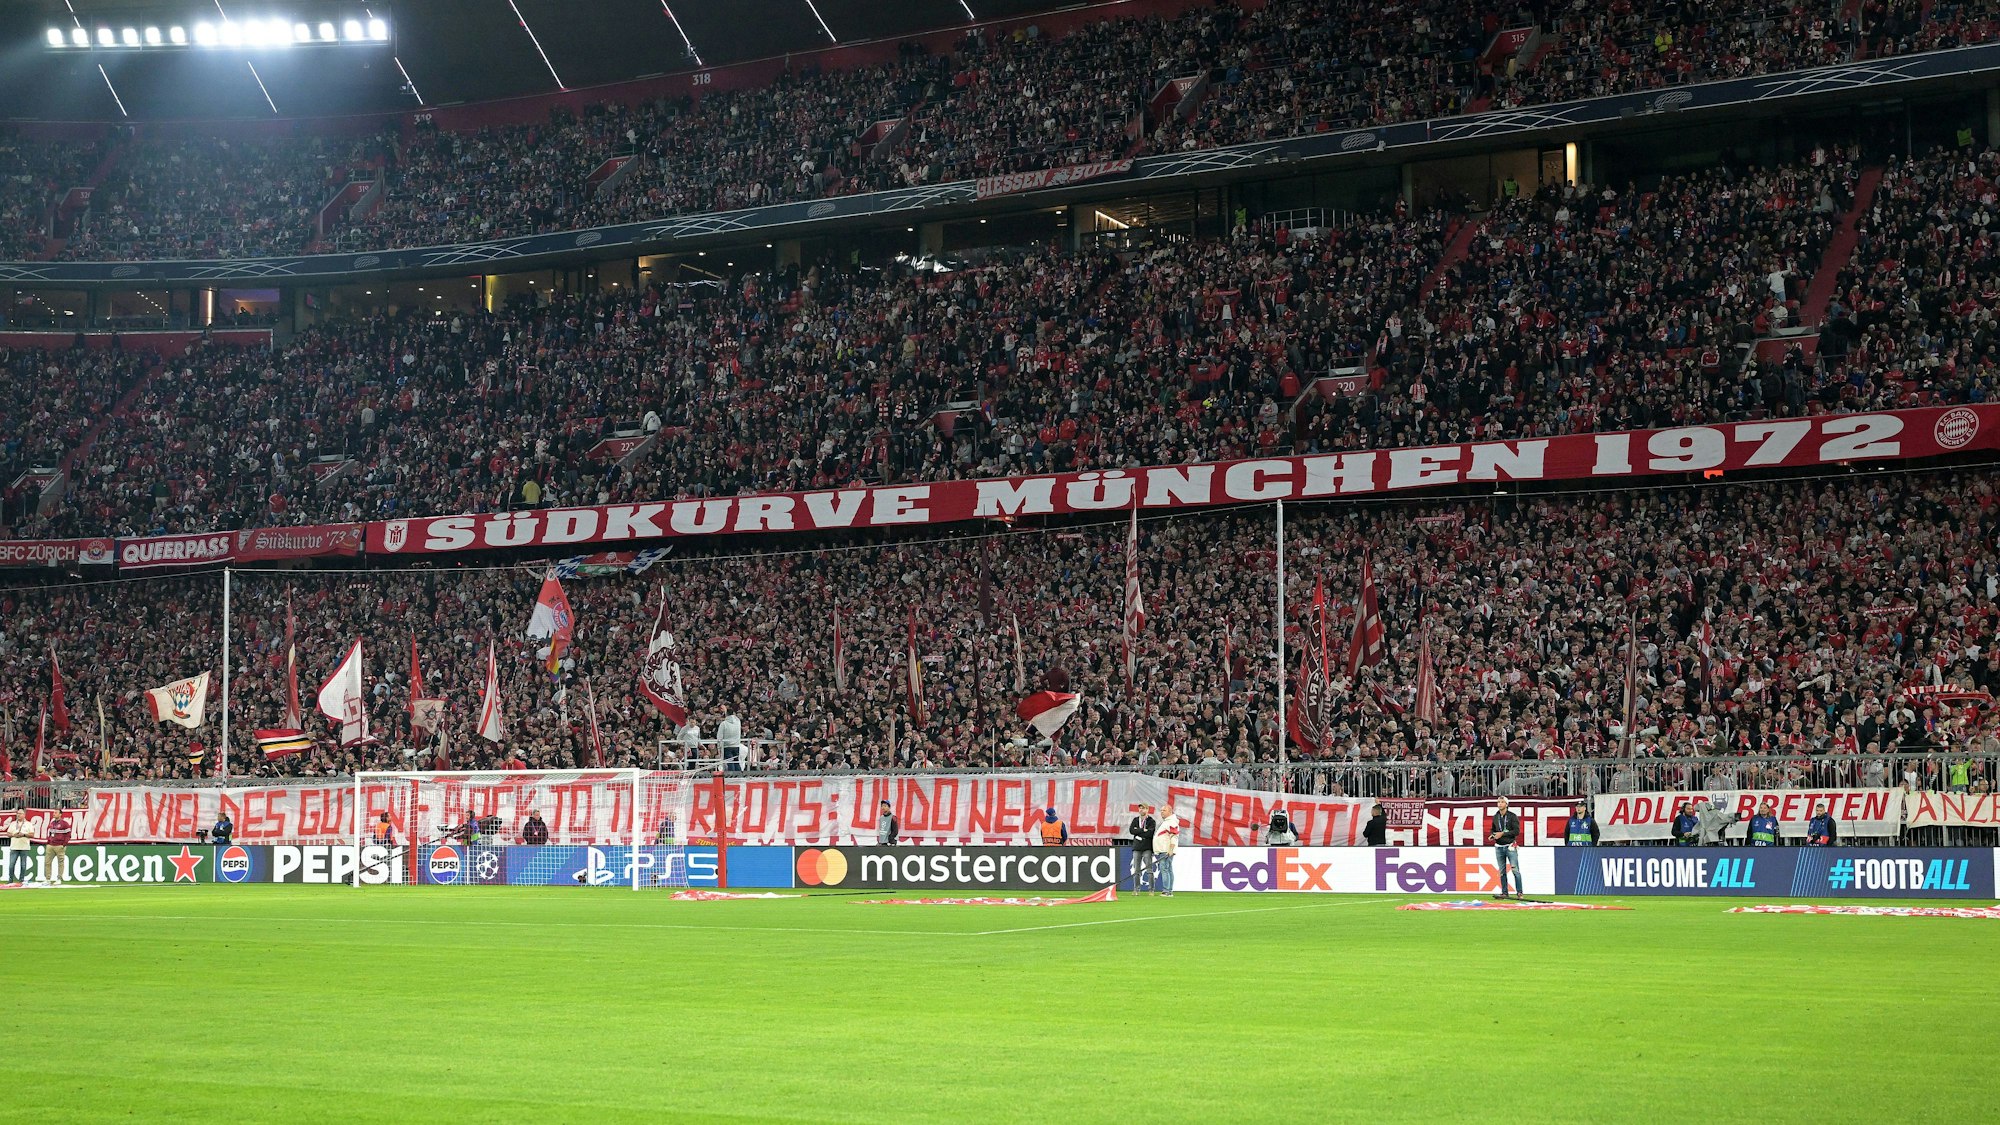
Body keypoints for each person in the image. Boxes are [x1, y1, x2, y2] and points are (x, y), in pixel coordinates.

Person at [1488, 796, 1522, 898]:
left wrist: (1502, 834)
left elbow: (1516, 831)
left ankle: (1519, 892)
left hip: (1510, 846)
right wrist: (1492, 835)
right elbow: (1493, 829)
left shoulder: (1512, 816)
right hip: (1499, 847)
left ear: (1506, 804)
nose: (1500, 804)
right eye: (1498, 802)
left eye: (1502, 802)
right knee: (1502, 871)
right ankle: (1504, 892)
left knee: (1515, 870)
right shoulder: (1495, 817)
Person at [1154, 804, 1181, 896]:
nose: (1161, 812)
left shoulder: (1171, 822)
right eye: (1161, 810)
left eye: (1164, 810)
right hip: (1165, 849)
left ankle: (1166, 891)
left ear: (1170, 812)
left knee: (1165, 869)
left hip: (1166, 850)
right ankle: (1169, 890)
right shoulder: (1168, 822)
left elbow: (1174, 836)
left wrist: (1171, 849)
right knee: (1168, 869)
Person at [1128, 804, 1156, 891]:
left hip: (1147, 847)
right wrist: (1142, 830)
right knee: (1136, 869)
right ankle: (1136, 889)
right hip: (1137, 847)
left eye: (1143, 808)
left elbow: (1150, 833)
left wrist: (1138, 831)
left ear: (1147, 810)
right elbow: (1132, 830)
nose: (1141, 810)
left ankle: (1151, 889)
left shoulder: (1151, 821)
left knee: (1149, 869)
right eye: (1140, 808)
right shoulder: (1136, 820)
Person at [45, 805, 74, 885]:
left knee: (60, 862)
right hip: (50, 845)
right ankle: (48, 879)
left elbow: (68, 835)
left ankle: (59, 879)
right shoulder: (52, 823)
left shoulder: (65, 824)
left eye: (56, 812)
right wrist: (48, 841)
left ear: (60, 814)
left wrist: (64, 844)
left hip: (59, 845)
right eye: (54, 812)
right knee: (47, 862)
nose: (54, 814)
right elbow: (49, 833)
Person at [5, 806, 34, 883]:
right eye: (17, 813)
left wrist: (23, 835)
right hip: (14, 846)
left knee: (23, 865)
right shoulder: (13, 823)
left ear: (24, 815)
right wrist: (14, 835)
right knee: (11, 865)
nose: (18, 815)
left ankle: (21, 880)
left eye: (20, 813)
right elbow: (8, 833)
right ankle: (10, 880)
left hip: (24, 847)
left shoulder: (28, 824)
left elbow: (32, 835)